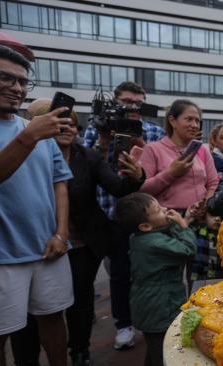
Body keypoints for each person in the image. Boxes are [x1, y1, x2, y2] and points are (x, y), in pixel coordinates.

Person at [10, 99, 145, 365]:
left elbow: (118, 188)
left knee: (80, 302)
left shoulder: (89, 157)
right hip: (32, 243)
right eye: (61, 122)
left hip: (83, 242)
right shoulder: (20, 155)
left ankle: (80, 352)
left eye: (72, 123)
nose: (68, 128)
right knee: (28, 311)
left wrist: (135, 175)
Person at [0, 46, 73, 366]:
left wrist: (61, 232)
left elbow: (60, 182)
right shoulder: (33, 132)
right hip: (3, 257)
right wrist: (29, 137)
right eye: (5, 78)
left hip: (48, 249)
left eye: (22, 82)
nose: (16, 88)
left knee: (55, 323)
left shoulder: (38, 132)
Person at [82, 81, 165, 350]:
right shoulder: (98, 128)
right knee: (119, 274)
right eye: (127, 102)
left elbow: (160, 170)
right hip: (111, 211)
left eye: (138, 104)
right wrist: (106, 143)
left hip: (148, 212)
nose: (133, 108)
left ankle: (152, 320)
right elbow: (85, 165)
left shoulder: (154, 130)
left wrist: (142, 146)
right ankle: (123, 325)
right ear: (115, 101)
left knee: (150, 271)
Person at [115, 193, 197, 366]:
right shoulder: (153, 244)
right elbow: (188, 249)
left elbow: (160, 232)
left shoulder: (139, 237)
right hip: (160, 306)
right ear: (144, 226)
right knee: (165, 352)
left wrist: (186, 218)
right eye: (159, 210)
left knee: (155, 350)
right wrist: (182, 226)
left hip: (149, 305)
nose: (166, 210)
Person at [139, 99, 219, 214]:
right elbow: (142, 190)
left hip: (199, 219)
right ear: (172, 121)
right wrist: (171, 173)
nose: (195, 125)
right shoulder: (153, 150)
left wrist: (205, 203)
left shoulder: (202, 150)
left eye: (197, 121)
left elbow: (213, 183)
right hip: (167, 221)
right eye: (189, 119)